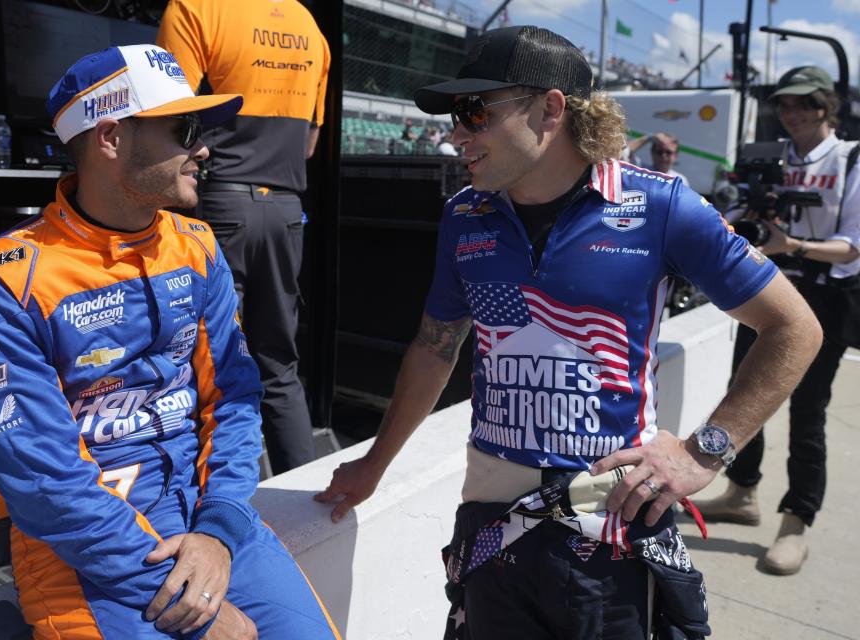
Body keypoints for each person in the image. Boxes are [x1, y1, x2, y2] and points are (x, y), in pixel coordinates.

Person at [314, 26, 821, 638]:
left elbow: (794, 327)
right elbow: (434, 346)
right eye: (455, 116)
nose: (455, 135)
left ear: (551, 108)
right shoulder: (463, 214)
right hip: (492, 532)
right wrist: (375, 464)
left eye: (474, 112)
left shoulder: (660, 207)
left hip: (611, 531)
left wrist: (703, 452)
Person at [0, 45, 339, 640]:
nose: (203, 148)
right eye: (184, 128)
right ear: (110, 138)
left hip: (206, 519)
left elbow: (234, 402)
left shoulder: (199, 245)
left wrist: (218, 530)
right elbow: (46, 485)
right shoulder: (0, 282)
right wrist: (193, 597)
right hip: (83, 554)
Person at [693, 65, 860, 575]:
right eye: (784, 105)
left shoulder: (850, 158)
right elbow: (745, 210)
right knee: (744, 391)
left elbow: (853, 246)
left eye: (801, 104)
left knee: (808, 411)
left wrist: (795, 245)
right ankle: (742, 492)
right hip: (766, 285)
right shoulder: (771, 156)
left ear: (823, 106)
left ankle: (796, 523)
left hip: (824, 291)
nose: (790, 113)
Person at [157, 0, 331, 474]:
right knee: (279, 364)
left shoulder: (196, 9)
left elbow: (164, 114)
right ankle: (304, 500)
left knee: (210, 365)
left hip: (219, 207)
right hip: (287, 208)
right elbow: (311, 143)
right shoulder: (309, 26)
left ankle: (221, 510)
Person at [626, 132, 690, 187]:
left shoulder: (680, 180)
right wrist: (650, 137)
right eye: (659, 152)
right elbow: (625, 151)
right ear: (652, 153)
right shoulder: (641, 171)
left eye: (668, 152)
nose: (663, 156)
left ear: (676, 155)